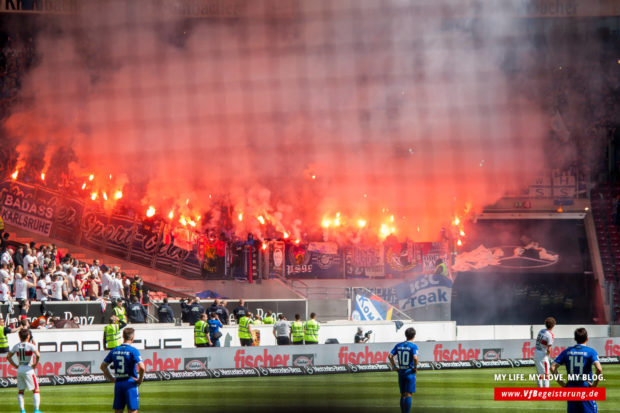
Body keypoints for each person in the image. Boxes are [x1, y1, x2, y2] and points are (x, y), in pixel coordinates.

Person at [551, 328, 603, 413]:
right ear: (587, 338)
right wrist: (594, 385)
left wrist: (563, 384)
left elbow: (552, 367)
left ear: (575, 339)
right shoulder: (591, 351)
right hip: (585, 389)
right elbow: (599, 369)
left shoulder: (567, 351)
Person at [100, 328, 146, 413]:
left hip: (118, 384)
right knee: (132, 410)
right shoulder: (133, 351)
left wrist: (112, 379)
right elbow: (142, 367)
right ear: (132, 338)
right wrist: (140, 379)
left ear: (123, 337)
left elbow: (103, 366)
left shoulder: (115, 350)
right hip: (130, 383)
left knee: (118, 410)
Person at [7, 329, 42, 413]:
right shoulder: (30, 345)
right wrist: (35, 364)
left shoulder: (16, 346)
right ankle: (36, 410)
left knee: (21, 391)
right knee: (36, 389)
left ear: (19, 337)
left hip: (20, 369)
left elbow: (8, 357)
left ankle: (22, 410)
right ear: (28, 336)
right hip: (28, 368)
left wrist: (15, 366)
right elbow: (38, 355)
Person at [388, 327, 419, 413]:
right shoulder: (413, 346)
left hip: (401, 371)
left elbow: (390, 356)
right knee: (408, 394)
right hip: (410, 371)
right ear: (414, 335)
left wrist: (394, 366)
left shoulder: (398, 345)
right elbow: (415, 358)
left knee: (402, 394)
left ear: (406, 335)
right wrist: (415, 368)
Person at [534, 316, 556, 387]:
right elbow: (549, 348)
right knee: (546, 374)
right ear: (553, 325)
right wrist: (548, 355)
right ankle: (545, 391)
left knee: (539, 373)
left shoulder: (541, 331)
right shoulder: (550, 335)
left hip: (536, 352)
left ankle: (539, 388)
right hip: (543, 355)